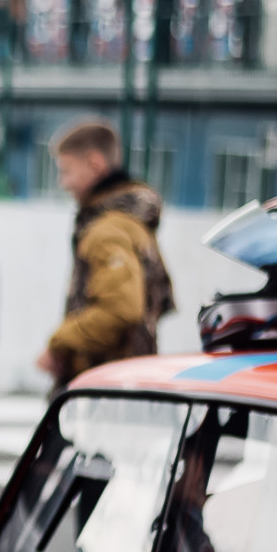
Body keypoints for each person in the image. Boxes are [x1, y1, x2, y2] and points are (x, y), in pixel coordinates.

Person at [40, 119, 173, 388]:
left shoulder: (109, 229)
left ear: (95, 163)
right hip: (127, 382)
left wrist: (59, 342)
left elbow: (120, 312)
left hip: (102, 389)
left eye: (66, 171)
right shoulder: (132, 222)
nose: (62, 183)